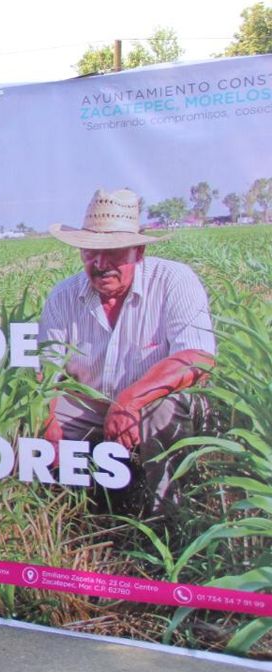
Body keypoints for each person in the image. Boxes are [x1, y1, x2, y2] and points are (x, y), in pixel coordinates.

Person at [39, 188, 216, 517]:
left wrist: (131, 399)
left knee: (164, 409)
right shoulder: (62, 297)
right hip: (90, 402)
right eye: (91, 252)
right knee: (31, 419)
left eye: (114, 252)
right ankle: (63, 515)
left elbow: (198, 356)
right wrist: (47, 421)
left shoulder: (174, 281)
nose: (101, 264)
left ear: (139, 250)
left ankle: (168, 518)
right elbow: (45, 373)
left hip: (152, 401)